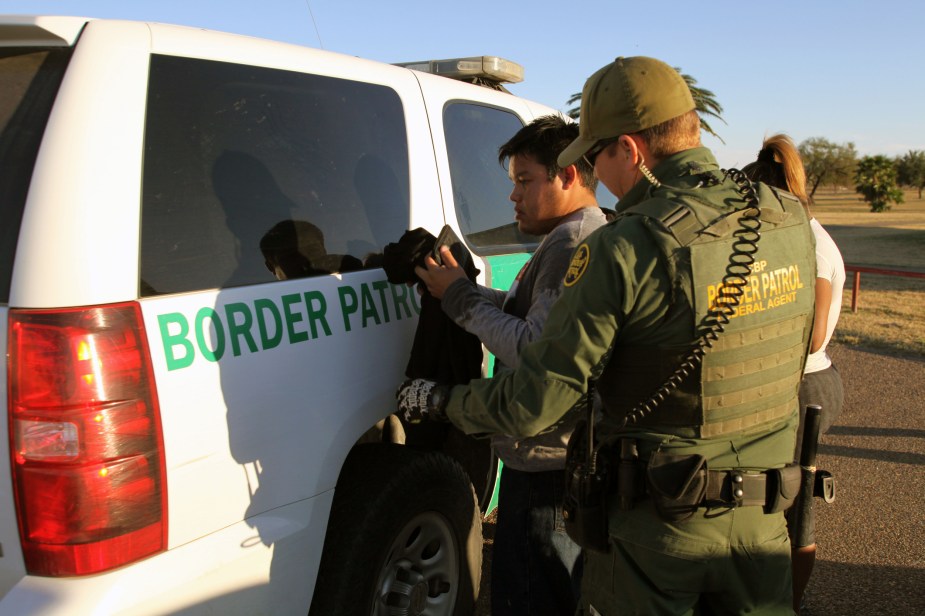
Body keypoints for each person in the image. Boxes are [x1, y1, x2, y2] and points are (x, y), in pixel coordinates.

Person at [397, 56, 817, 614]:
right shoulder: (786, 218)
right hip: (763, 526)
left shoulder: (625, 246)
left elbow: (535, 402)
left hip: (660, 535)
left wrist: (444, 401)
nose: (595, 172)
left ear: (630, 151)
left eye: (596, 155)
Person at [414, 114, 607, 615]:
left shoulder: (570, 242)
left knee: (531, 599)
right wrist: (470, 290)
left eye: (525, 181)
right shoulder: (582, 231)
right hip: (564, 457)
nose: (513, 197)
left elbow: (531, 347)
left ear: (566, 175)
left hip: (547, 463)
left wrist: (458, 300)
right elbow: (532, 315)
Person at [744, 134, 846, 613]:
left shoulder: (811, 243)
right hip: (794, 382)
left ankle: (790, 601)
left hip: (804, 386)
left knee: (793, 506)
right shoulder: (794, 234)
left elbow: (814, 335)